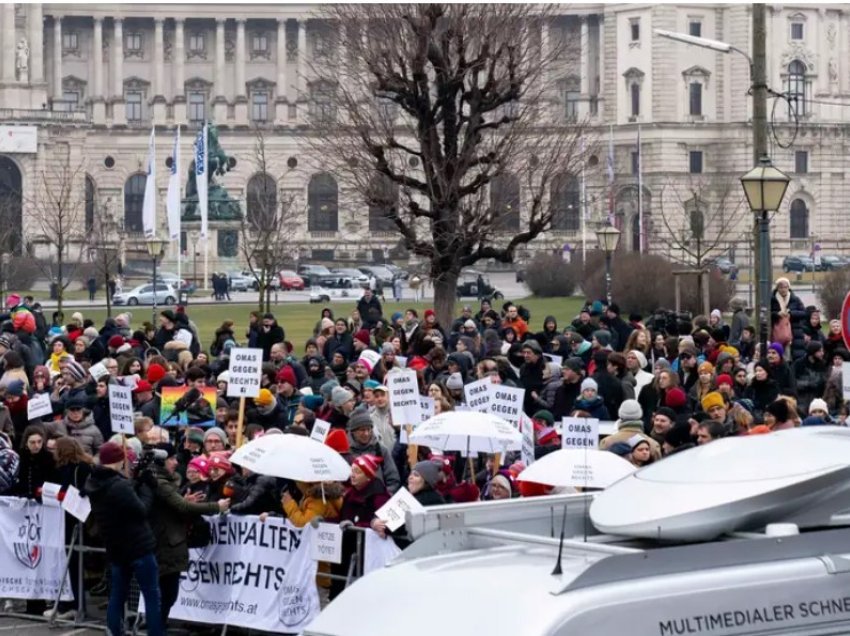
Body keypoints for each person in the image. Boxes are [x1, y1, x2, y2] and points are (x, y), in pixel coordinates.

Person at [85, 442, 164, 636]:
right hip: (138, 547)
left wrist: (135, 483)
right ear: (119, 461)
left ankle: (114, 632)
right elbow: (141, 510)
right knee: (152, 597)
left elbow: (122, 500)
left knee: (117, 596)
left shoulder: (94, 482)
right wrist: (146, 489)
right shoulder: (118, 485)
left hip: (116, 548)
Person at [150, 443, 229, 629]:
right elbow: (183, 508)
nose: (176, 462)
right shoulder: (160, 482)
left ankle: (157, 628)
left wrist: (183, 500)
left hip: (167, 542)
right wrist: (216, 507)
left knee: (167, 594)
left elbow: (177, 504)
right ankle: (157, 630)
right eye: (171, 459)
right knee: (166, 593)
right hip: (164, 543)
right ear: (162, 461)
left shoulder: (165, 481)